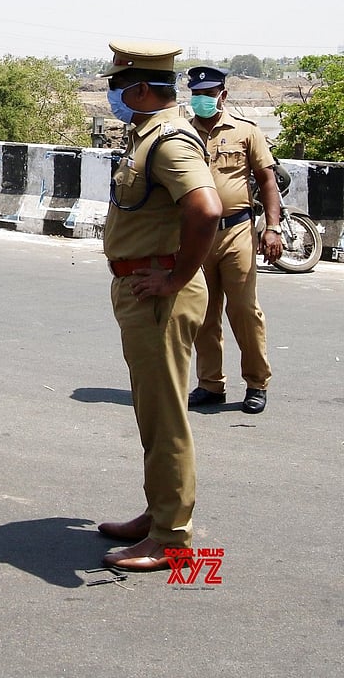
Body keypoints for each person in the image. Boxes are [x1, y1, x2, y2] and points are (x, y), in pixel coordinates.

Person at [96, 42, 222, 571]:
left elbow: (206, 210)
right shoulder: (146, 135)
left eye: (116, 87)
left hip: (158, 295)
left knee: (165, 416)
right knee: (151, 412)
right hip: (139, 288)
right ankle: (157, 513)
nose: (111, 97)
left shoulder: (168, 142)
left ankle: (171, 538)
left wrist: (176, 277)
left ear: (142, 89)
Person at [186, 66, 280, 414]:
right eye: (197, 94)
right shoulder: (182, 133)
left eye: (208, 94)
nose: (202, 100)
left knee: (243, 310)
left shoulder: (246, 131)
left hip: (236, 231)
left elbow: (267, 181)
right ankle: (210, 384)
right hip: (196, 234)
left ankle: (256, 382)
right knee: (203, 312)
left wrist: (272, 228)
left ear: (222, 96)